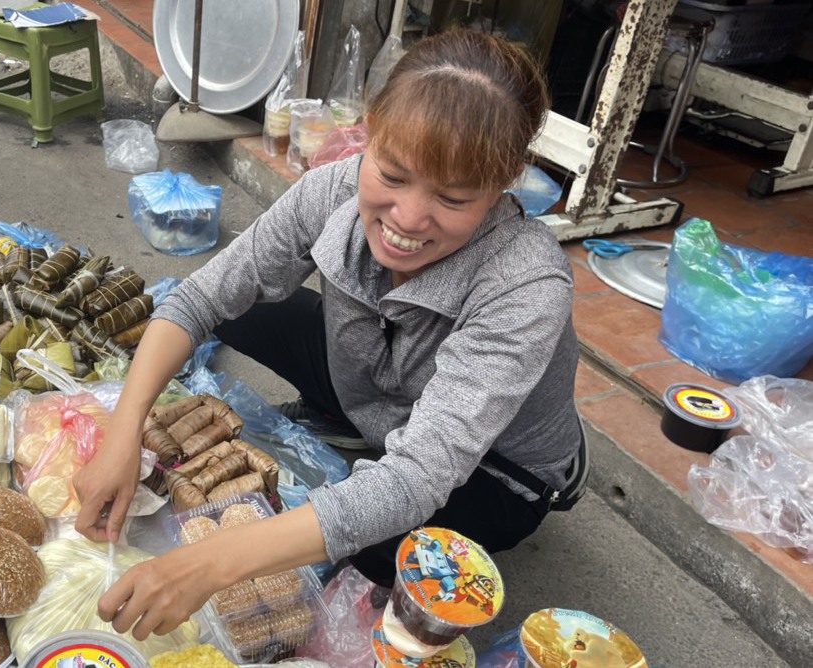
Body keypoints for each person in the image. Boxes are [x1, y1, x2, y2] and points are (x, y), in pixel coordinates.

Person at [73, 29, 588, 641]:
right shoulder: (334, 188)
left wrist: (210, 562)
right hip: (380, 385)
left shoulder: (526, 283)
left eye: (452, 197)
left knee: (379, 551)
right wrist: (122, 434)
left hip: (499, 467)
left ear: (505, 183)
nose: (408, 219)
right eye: (393, 175)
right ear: (371, 132)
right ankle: (350, 422)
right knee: (242, 307)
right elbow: (201, 296)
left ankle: (362, 445)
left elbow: (417, 477)